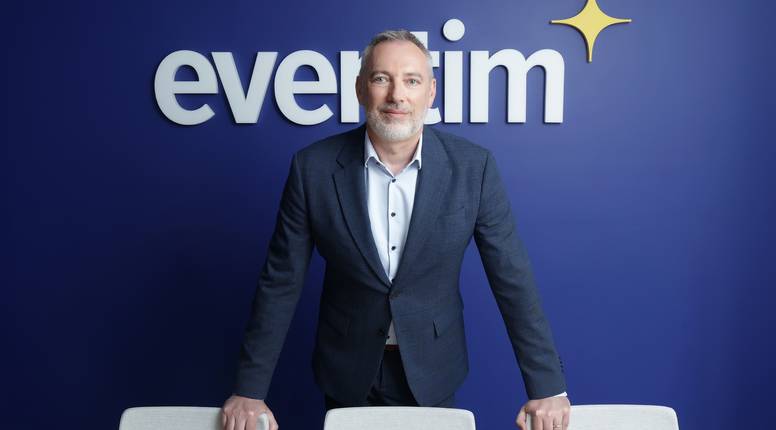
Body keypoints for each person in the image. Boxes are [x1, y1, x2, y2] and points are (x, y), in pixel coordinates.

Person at [221, 30, 571, 430]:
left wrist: (547, 386)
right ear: (360, 88)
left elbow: (512, 278)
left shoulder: (474, 168)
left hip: (435, 367)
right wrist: (249, 389)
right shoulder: (312, 168)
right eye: (381, 78)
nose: (396, 95)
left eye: (411, 80)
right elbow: (280, 281)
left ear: (431, 92)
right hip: (346, 368)